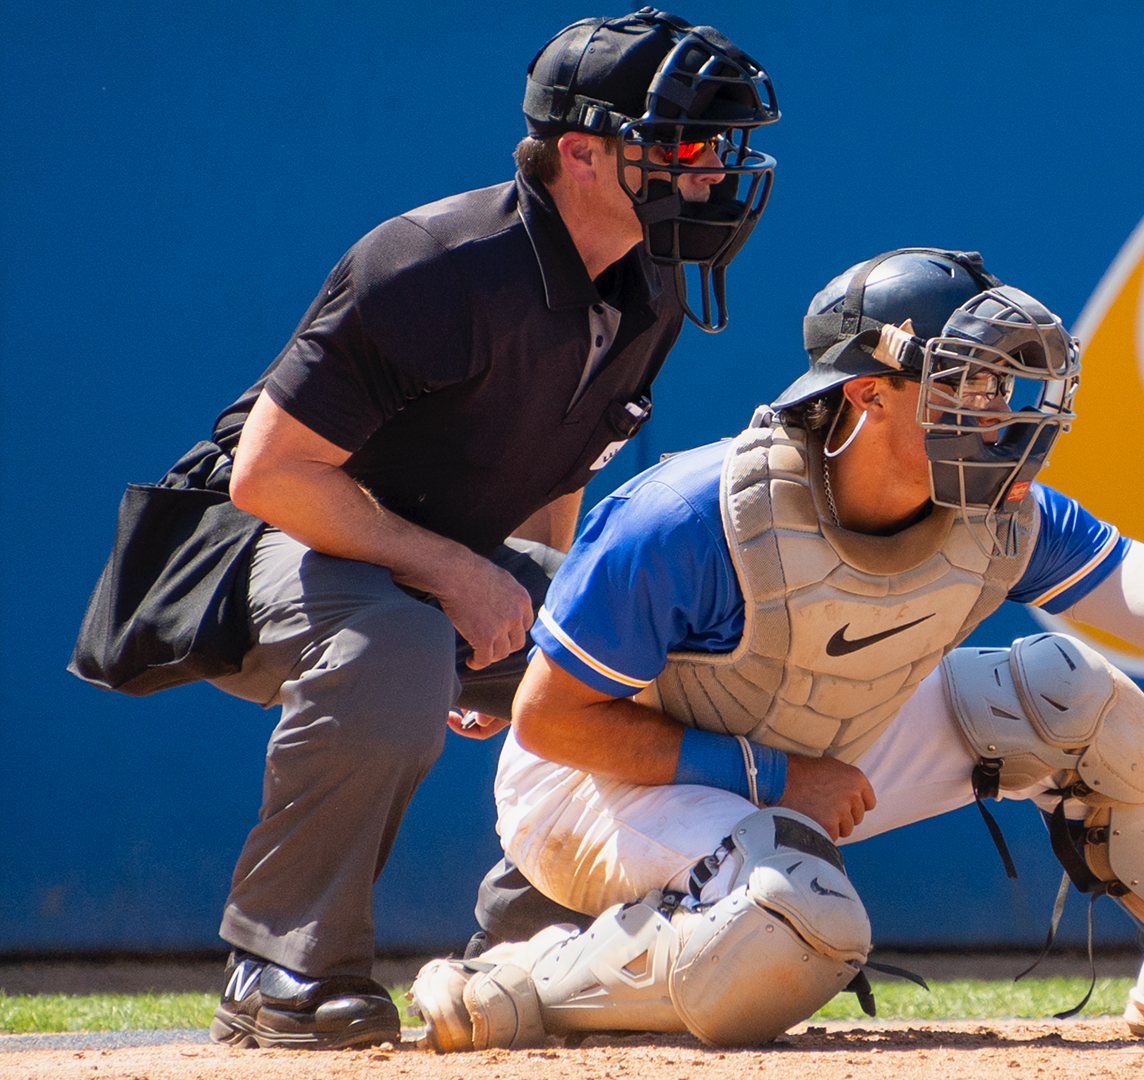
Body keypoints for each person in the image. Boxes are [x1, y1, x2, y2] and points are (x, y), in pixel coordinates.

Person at [408, 249, 1144, 1050]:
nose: (998, 413)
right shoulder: (692, 516)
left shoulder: (999, 509)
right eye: (964, 385)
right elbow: (554, 724)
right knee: (799, 922)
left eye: (1002, 387)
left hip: (817, 752)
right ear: (864, 395)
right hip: (598, 791)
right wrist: (770, 782)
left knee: (1070, 693)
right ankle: (529, 987)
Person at [70, 9, 777, 1051]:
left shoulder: (650, 287)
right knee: (394, 638)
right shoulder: (434, 263)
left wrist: (541, 635)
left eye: (722, 146)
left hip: (411, 558)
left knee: (643, 646)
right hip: (243, 542)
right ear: (581, 152)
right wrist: (460, 582)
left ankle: (537, 950)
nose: (714, 171)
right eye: (681, 145)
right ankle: (280, 971)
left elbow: (553, 480)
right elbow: (273, 472)